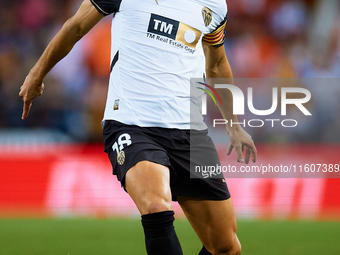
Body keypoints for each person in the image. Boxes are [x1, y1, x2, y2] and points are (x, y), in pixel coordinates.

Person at [19, 0, 257, 254]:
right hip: (132, 123)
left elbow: (217, 63)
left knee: (226, 247)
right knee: (156, 206)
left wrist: (233, 124)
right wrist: (37, 74)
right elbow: (76, 26)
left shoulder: (214, 5)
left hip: (190, 132)